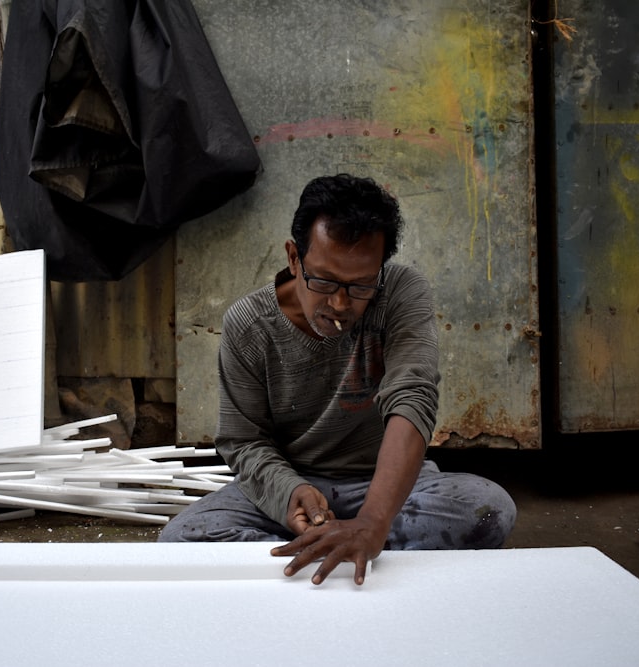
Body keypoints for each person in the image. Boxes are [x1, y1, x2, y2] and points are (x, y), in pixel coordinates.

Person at [158, 174, 516, 584]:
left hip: (382, 486)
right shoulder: (249, 324)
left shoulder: (400, 293)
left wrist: (374, 520)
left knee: (489, 508)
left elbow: (412, 397)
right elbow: (243, 440)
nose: (340, 304)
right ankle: (337, 547)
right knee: (180, 539)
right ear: (294, 258)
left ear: (380, 272)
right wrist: (289, 493)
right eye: (324, 281)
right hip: (295, 488)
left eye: (361, 286)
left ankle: (341, 546)